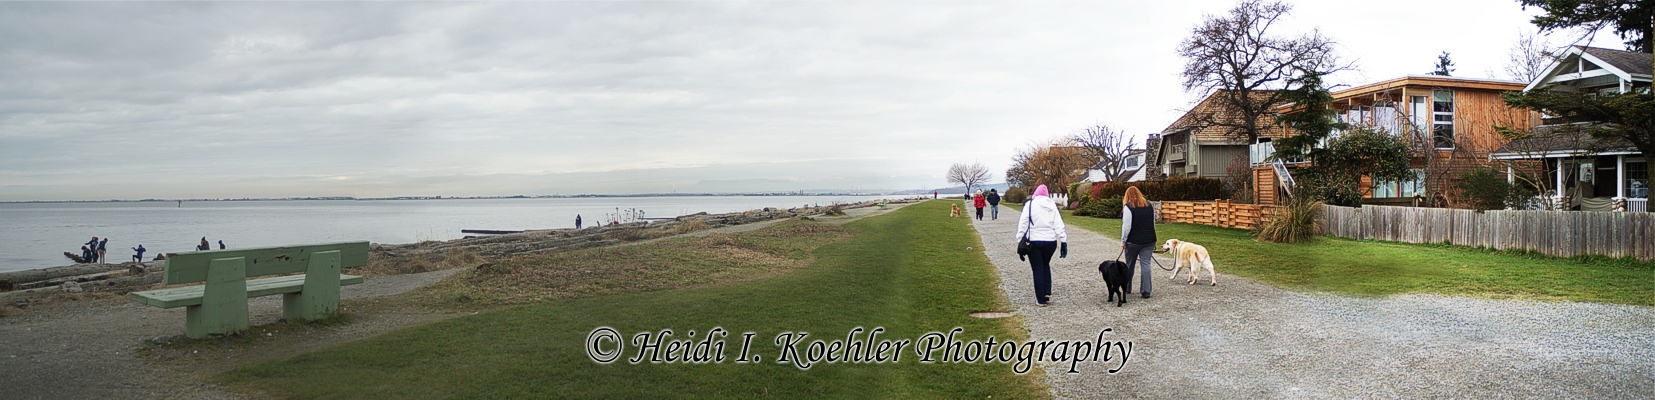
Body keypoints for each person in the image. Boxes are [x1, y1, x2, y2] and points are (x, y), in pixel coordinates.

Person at [1015, 184, 1068, 306]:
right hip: (1050, 241)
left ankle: (1041, 299)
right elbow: (1058, 224)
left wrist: (1019, 241)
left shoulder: (1030, 205)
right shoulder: (1052, 205)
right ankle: (1046, 291)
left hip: (1034, 241)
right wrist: (1063, 241)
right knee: (1045, 264)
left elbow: (1023, 224)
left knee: (1037, 269)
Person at [1120, 186, 1158, 299]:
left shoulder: (1128, 207)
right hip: (1149, 240)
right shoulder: (1149, 205)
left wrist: (1123, 241)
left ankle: (1127, 287)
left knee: (1129, 265)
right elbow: (1153, 223)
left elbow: (1126, 226)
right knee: (1145, 264)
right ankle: (1146, 290)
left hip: (1133, 241)